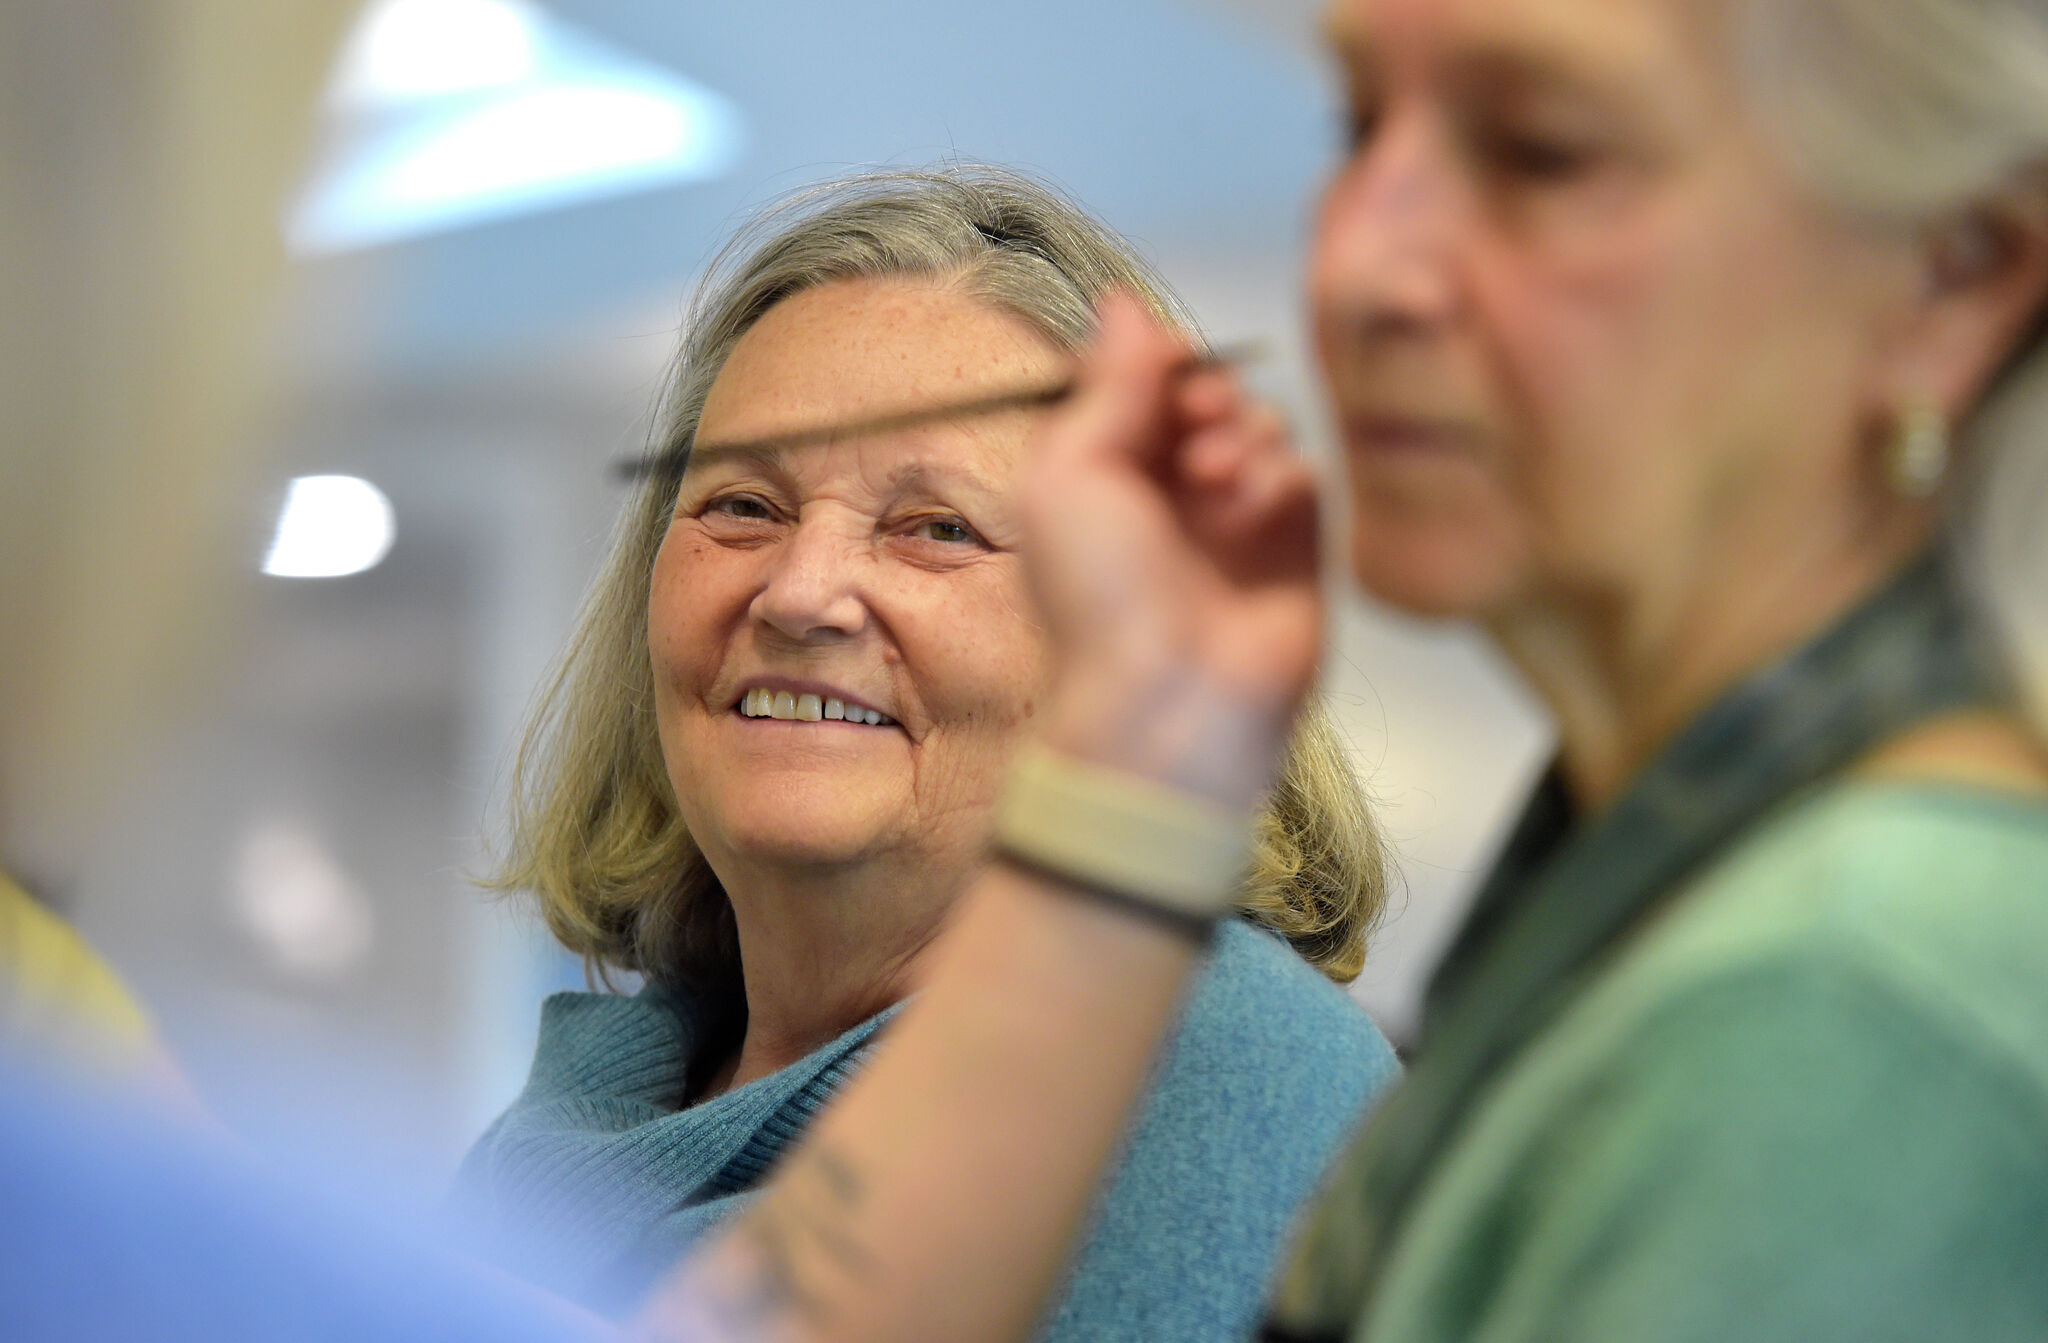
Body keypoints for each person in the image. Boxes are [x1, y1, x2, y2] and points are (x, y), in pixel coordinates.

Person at [625, 0, 2048, 1339]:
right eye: (1361, 129)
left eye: (1543, 153)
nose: (1359, 260)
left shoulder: (1846, 1008)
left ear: (1950, 279)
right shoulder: (1659, 905)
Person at [452, 168, 1399, 1340]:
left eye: (935, 527)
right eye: (743, 504)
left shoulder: (1211, 1064)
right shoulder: (578, 1116)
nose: (799, 593)